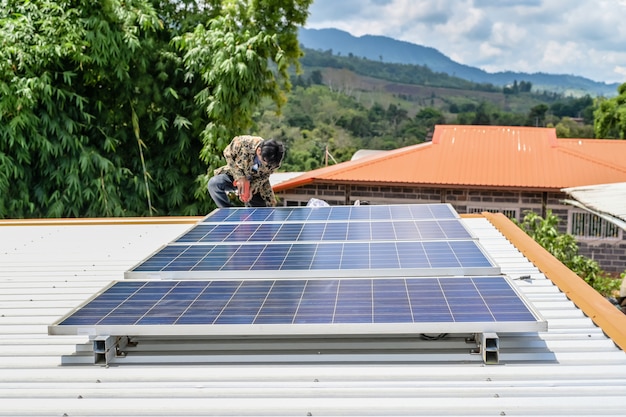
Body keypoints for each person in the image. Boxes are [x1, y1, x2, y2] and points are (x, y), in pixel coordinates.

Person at [208, 135, 284, 207]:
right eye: (264, 161)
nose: (266, 164)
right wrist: (240, 177)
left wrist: (251, 188)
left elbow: (265, 176)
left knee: (263, 212)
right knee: (214, 183)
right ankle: (226, 212)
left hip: (256, 183)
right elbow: (228, 154)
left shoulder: (274, 161)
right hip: (234, 174)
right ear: (259, 151)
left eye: (269, 164)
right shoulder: (243, 142)